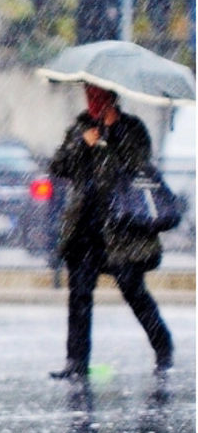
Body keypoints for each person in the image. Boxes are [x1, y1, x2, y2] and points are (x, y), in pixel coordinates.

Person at [48, 84, 174, 380]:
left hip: (121, 227)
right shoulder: (80, 127)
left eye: (97, 96)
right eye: (88, 95)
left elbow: (138, 164)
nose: (91, 102)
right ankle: (76, 360)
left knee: (133, 290)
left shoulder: (131, 128)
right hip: (84, 225)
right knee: (79, 294)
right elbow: (59, 166)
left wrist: (113, 134)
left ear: (111, 96)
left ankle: (163, 345)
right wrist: (82, 143)